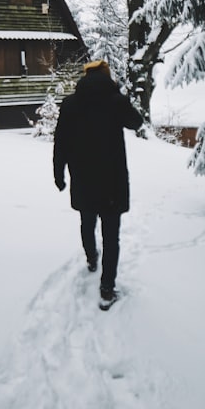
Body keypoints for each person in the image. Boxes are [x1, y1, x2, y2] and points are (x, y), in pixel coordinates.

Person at [53, 60, 143, 306]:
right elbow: (137, 122)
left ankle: (92, 259)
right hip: (111, 181)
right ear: (107, 76)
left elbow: (60, 141)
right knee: (111, 236)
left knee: (87, 221)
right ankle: (106, 289)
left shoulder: (71, 104)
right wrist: (121, 96)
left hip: (83, 179)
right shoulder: (115, 101)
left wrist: (58, 173)